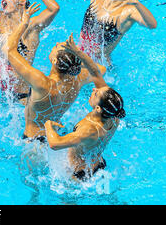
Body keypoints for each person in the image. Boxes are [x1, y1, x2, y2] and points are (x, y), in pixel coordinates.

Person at [4, 7, 106, 143]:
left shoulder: (41, 83)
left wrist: (23, 24)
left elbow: (9, 50)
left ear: (54, 60)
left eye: (58, 46)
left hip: (33, 143)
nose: (57, 43)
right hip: (55, 136)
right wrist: (77, 60)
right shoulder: (78, 79)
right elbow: (101, 69)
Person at [44, 35, 125, 181]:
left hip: (81, 173)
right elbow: (95, 72)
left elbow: (54, 144)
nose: (94, 90)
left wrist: (48, 125)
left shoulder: (90, 130)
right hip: (99, 164)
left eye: (96, 94)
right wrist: (77, 52)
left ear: (99, 108)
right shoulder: (113, 115)